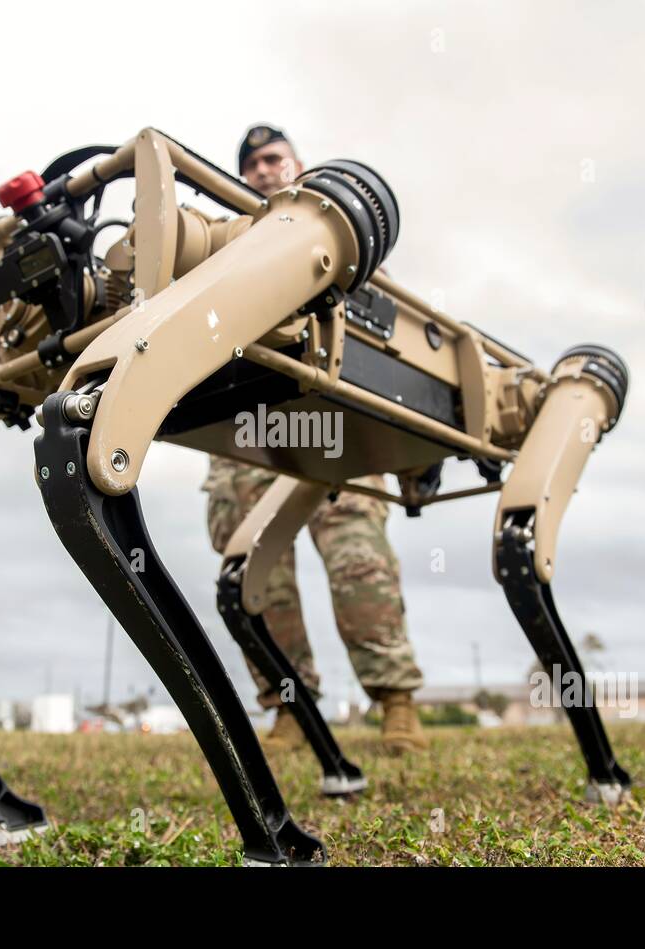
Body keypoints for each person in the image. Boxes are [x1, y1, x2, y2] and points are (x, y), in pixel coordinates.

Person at [202, 124, 427, 756]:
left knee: (360, 561)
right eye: (251, 166)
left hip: (334, 423)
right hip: (246, 421)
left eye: (274, 159)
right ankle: (289, 708)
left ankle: (396, 703)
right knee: (254, 571)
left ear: (298, 165)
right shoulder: (227, 247)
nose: (263, 170)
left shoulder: (346, 239)